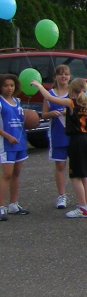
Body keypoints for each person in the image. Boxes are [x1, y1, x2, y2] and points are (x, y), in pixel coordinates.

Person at [38, 77, 87, 218]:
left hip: (76, 140)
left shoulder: (71, 103)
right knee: (85, 175)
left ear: (71, 91)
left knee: (75, 176)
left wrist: (38, 85)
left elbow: (49, 97)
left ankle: (83, 207)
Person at [42, 64, 71, 210]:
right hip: (57, 134)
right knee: (60, 165)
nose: (63, 76)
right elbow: (44, 114)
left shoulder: (73, 93)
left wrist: (69, 112)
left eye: (66, 74)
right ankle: (61, 195)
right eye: (60, 74)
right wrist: (51, 114)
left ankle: (82, 198)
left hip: (73, 134)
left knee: (78, 167)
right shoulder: (50, 94)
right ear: (55, 77)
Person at [0, 73, 28, 220]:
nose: (9, 88)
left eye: (11, 85)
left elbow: (23, 121)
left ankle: (13, 204)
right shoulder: (0, 102)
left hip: (20, 141)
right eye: (5, 85)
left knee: (17, 173)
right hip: (6, 142)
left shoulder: (17, 101)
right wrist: (8, 136)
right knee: (7, 174)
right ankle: (1, 206)